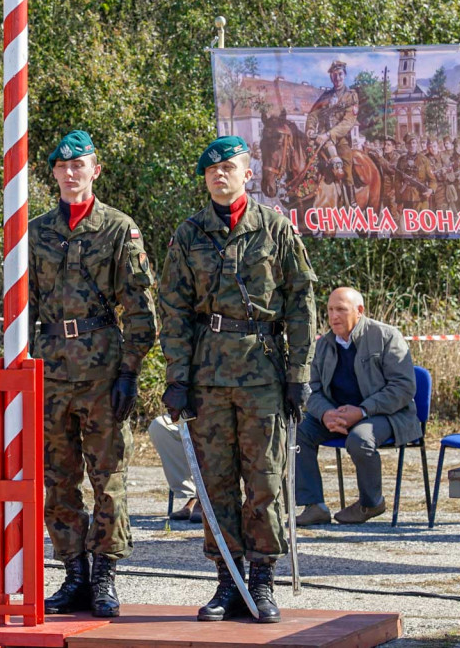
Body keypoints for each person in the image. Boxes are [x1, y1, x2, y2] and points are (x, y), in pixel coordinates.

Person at [159, 135, 317, 623]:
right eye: (210, 171)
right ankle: (227, 581)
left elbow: (301, 303)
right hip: (207, 376)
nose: (219, 176)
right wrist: (176, 378)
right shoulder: (189, 234)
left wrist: (299, 375)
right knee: (215, 482)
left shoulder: (274, 228)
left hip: (263, 374)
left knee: (264, 479)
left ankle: (262, 579)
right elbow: (174, 310)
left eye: (228, 168)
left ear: (248, 173)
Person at [29, 130, 158, 617]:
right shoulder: (36, 230)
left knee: (107, 478)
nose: (70, 173)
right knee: (57, 479)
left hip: (103, 368)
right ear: (54, 174)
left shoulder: (118, 229)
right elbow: (26, 304)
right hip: (51, 371)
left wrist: (131, 371)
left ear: (95, 169)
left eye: (78, 165)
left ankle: (104, 575)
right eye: (62, 167)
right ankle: (74, 573)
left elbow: (140, 310)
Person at [295, 287, 420, 527]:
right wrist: (325, 413)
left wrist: (362, 411)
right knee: (298, 429)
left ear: (359, 311)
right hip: (338, 415)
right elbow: (311, 388)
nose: (334, 316)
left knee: (360, 439)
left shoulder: (386, 336)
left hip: (386, 414)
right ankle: (314, 505)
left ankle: (371, 503)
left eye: (341, 309)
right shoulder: (323, 344)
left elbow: (404, 388)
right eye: (330, 310)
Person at [306, 60, 359, 202]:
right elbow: (313, 114)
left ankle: (351, 202)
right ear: (330, 77)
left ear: (345, 75)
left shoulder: (351, 96)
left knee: (346, 166)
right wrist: (311, 129)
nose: (337, 78)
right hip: (320, 138)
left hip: (340, 140)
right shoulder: (325, 96)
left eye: (340, 74)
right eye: (334, 75)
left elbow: (348, 121)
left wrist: (329, 134)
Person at [147, 414, 201, 523]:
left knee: (211, 426)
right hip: (191, 414)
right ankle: (194, 494)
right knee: (159, 425)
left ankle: (205, 498)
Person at [396, 133, 434, 214]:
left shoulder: (424, 160)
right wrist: (399, 201)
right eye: (409, 143)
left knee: (422, 224)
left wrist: (430, 190)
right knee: (408, 224)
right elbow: (397, 182)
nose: (411, 145)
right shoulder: (401, 160)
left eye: (414, 143)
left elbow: (432, 180)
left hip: (421, 198)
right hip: (406, 199)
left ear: (417, 144)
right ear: (406, 145)